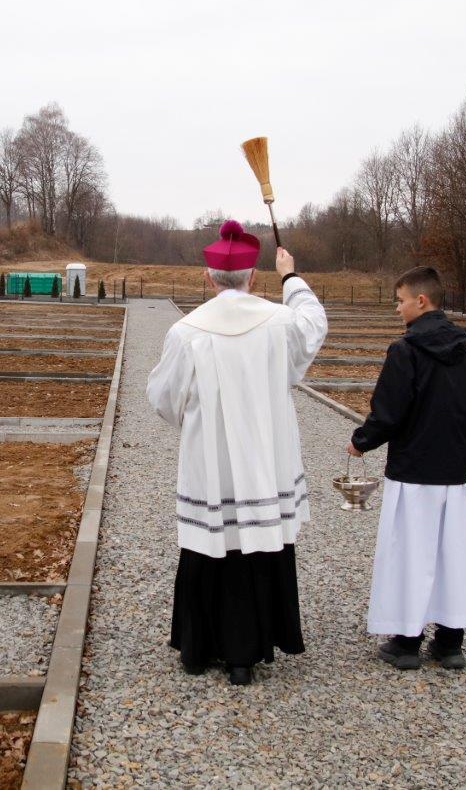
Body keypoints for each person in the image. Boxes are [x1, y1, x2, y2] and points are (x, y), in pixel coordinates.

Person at [147, 220, 328, 686]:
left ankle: (199, 648)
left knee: (213, 541)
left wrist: (197, 422)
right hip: (266, 461)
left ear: (208, 277)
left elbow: (164, 398)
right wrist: (291, 277)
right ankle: (247, 653)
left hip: (211, 462)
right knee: (257, 542)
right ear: (253, 276)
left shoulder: (186, 332)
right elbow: (314, 324)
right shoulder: (281, 323)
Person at [347, 265, 466, 670]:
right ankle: (450, 643)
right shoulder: (465, 352)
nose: (397, 309)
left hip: (413, 474)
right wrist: (465, 462)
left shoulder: (405, 350)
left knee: (409, 555)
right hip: (451, 476)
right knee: (452, 557)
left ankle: (406, 642)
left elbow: (389, 410)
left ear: (421, 300)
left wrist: (361, 442)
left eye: (400, 301)